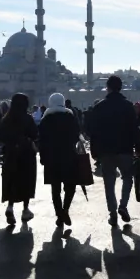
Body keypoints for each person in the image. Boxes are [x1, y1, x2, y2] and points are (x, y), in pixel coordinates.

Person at [86, 75, 138, 227]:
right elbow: (134, 128)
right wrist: (138, 147)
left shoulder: (100, 106)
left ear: (107, 88)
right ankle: (123, 205)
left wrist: (94, 151)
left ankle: (113, 213)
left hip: (106, 150)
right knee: (127, 178)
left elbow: (93, 131)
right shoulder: (128, 106)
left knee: (109, 182)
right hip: (125, 149)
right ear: (120, 87)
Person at [39, 93, 83, 228]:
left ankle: (59, 214)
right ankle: (65, 210)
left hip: (52, 158)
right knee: (70, 186)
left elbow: (42, 140)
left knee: (55, 188)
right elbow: (77, 135)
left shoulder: (46, 118)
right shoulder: (69, 116)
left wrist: (42, 157)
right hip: (69, 156)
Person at [0, 93, 38, 225]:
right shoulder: (28, 118)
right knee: (26, 181)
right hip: (26, 154)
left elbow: (1, 137)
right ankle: (25, 209)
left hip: (10, 154)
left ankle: (10, 206)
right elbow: (34, 134)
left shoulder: (6, 118)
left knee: (11, 179)